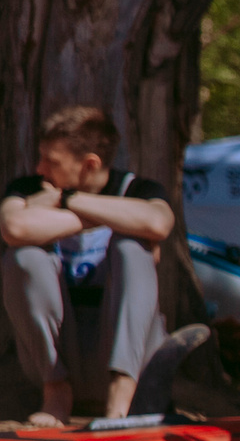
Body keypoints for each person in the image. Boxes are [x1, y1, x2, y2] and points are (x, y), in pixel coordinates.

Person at [1, 106, 173, 422]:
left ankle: (121, 399)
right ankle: (56, 394)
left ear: (89, 164)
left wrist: (68, 201)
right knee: (23, 257)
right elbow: (14, 228)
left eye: (52, 161)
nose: (40, 169)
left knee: (133, 247)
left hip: (126, 356)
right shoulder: (28, 188)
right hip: (59, 356)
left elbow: (158, 222)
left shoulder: (138, 190)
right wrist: (114, 217)